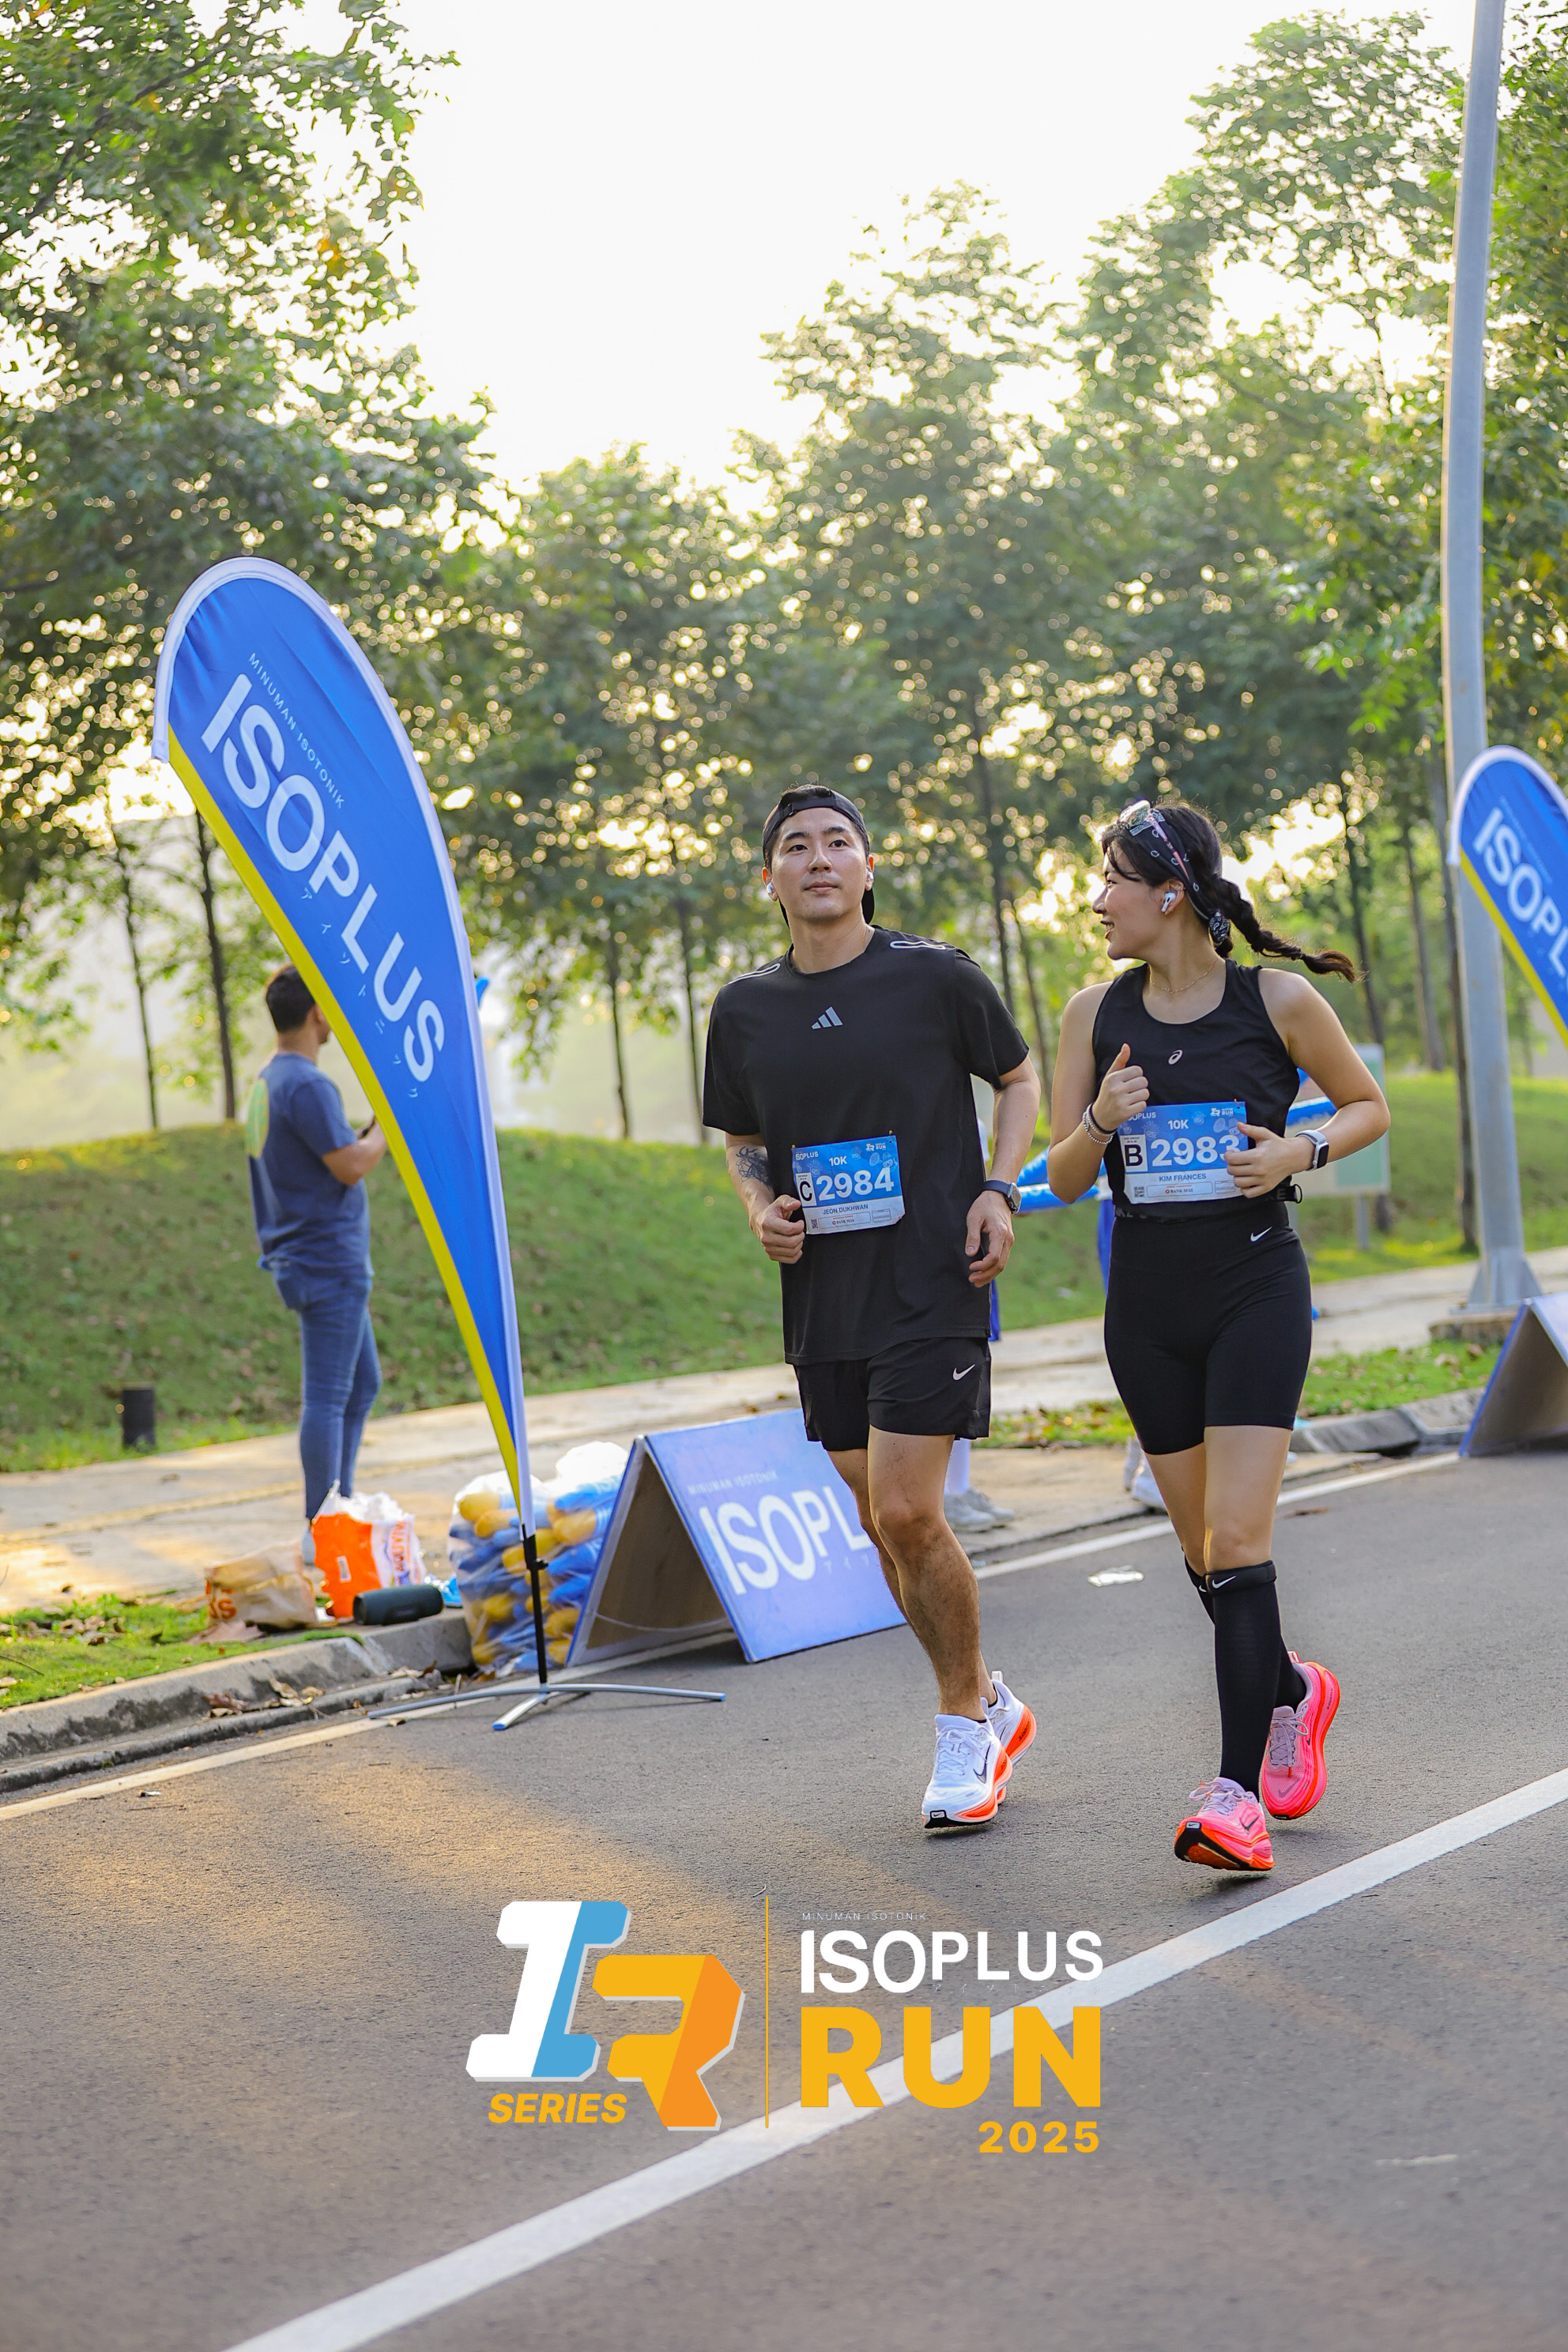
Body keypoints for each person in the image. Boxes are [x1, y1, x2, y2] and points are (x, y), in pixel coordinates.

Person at [1046, 798, 1389, 1874]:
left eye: (1112, 878)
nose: (1097, 900)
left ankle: (1236, 1800)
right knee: (1203, 1554)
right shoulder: (1091, 1015)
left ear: (1170, 893)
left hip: (1254, 1292)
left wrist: (1297, 1152)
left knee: (1238, 1545)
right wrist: (1100, 1119)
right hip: (1146, 1310)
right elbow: (1061, 1177)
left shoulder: (1274, 1001)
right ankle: (1292, 1687)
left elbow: (1366, 1106)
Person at [703, 786, 1042, 1831]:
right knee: (878, 1522)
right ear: (770, 878)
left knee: (905, 1511)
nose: (818, 859)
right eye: (796, 847)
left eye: (837, 842)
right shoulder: (744, 1009)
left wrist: (998, 1189)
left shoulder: (935, 976)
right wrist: (760, 1208)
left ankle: (962, 1733)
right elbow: (744, 1140)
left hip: (935, 1277)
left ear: (867, 866)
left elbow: (1019, 1080)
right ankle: (988, 1696)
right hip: (826, 1294)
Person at [245, 964, 389, 1552]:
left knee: (362, 1386)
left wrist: (369, 1130)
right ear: (316, 1013)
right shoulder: (307, 1085)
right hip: (327, 1260)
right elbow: (350, 1165)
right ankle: (322, 1526)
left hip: (302, 1255)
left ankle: (338, 1505)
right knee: (328, 1397)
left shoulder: (268, 1082)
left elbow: (327, 1153)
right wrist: (389, 1128)